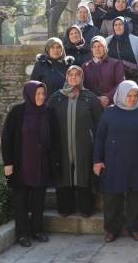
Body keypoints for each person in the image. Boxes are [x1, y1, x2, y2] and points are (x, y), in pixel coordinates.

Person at [93, 80, 138, 243]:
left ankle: (134, 228)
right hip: (113, 162)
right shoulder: (109, 113)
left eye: (135, 95)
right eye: (128, 96)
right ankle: (112, 229)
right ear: (120, 95)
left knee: (136, 197)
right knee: (112, 197)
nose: (132, 99)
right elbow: (99, 137)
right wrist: (97, 160)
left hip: (137, 162)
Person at [2, 81, 56, 247]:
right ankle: (23, 234)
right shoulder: (18, 112)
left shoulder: (48, 112)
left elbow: (54, 138)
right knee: (21, 201)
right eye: (37, 94)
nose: (40, 97)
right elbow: (7, 138)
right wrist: (8, 162)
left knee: (39, 201)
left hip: (41, 164)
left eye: (42, 94)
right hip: (21, 164)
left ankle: (37, 231)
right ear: (29, 94)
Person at [48, 66, 102, 217]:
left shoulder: (90, 97)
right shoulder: (56, 98)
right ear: (66, 77)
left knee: (83, 175)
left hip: (84, 146)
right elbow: (48, 122)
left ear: (81, 77)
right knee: (64, 175)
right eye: (70, 75)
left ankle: (86, 208)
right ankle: (66, 208)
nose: (73, 77)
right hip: (62, 145)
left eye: (77, 75)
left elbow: (99, 123)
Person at [106, 17, 138, 96]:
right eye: (115, 25)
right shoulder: (107, 41)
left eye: (121, 24)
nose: (118, 27)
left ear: (126, 25)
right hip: (112, 81)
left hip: (132, 80)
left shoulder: (136, 41)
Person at [81, 36, 125, 108]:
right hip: (91, 104)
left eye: (100, 46)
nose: (97, 49)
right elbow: (82, 87)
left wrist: (108, 97)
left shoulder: (116, 63)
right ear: (91, 49)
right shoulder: (85, 66)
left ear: (105, 48)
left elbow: (121, 84)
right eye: (94, 47)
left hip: (112, 104)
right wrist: (96, 99)